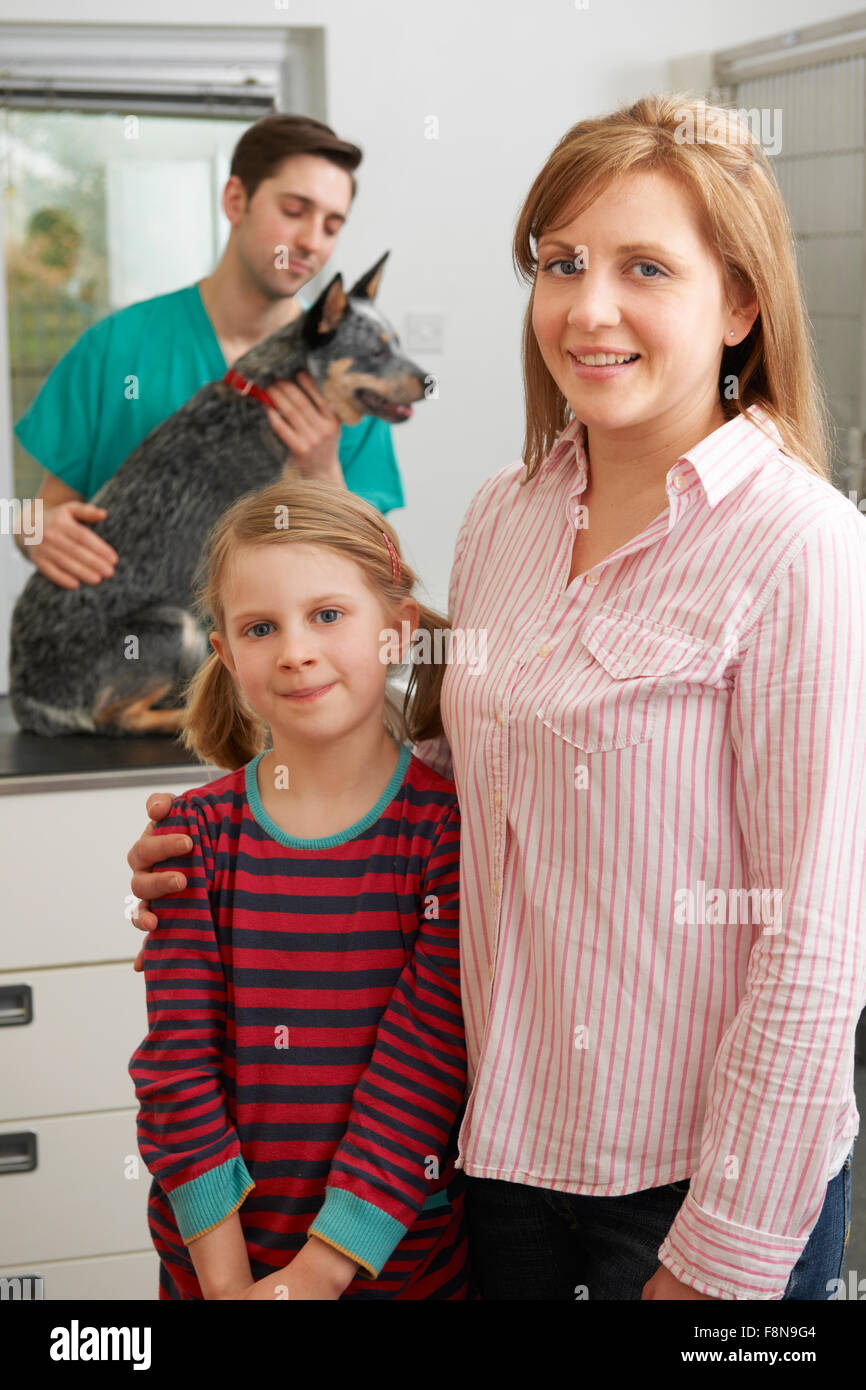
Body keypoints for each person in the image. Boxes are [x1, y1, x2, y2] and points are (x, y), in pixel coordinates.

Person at [127, 93, 866, 1301]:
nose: (588, 308)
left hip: (691, 1184)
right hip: (499, 1155)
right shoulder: (504, 517)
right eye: (560, 263)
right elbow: (451, 783)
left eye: (644, 267)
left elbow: (816, 945)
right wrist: (226, 832)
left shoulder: (800, 545)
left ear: (737, 303)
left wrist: (714, 1262)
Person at [127, 476, 468, 1299]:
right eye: (259, 627)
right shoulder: (195, 839)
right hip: (214, 1270)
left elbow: (425, 1068)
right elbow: (176, 1073)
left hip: (398, 1272)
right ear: (225, 655)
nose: (295, 650)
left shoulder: (447, 835)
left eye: (327, 615)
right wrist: (229, 1284)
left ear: (397, 632)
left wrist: (314, 1277)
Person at [13, 113, 406, 591]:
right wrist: (35, 531)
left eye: (331, 224)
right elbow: (39, 510)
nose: (311, 242)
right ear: (236, 200)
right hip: (134, 651)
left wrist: (321, 470)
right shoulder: (115, 347)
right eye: (294, 210)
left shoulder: (346, 377)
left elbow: (379, 568)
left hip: (274, 662)